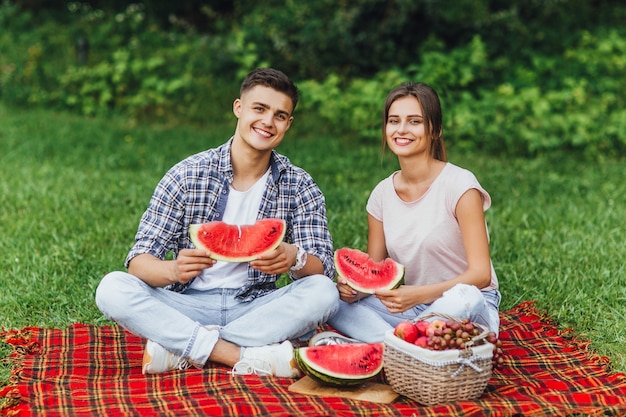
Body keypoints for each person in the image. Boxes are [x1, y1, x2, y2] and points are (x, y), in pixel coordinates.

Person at [95, 68, 338, 378]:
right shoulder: (187, 175)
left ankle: (180, 345)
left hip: (257, 307)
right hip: (188, 304)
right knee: (112, 288)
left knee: (323, 293)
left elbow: (323, 271)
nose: (267, 122)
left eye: (279, 115)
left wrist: (296, 258)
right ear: (239, 108)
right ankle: (241, 355)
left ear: (288, 124)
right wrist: (173, 270)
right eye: (259, 109)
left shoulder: (299, 185)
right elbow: (138, 262)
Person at [321, 82, 500, 344]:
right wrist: (353, 290)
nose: (401, 129)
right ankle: (407, 345)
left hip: (466, 306)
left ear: (434, 130)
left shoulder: (460, 185)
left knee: (466, 297)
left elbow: (481, 274)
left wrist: (418, 294)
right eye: (394, 121)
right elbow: (376, 272)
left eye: (414, 121)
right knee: (329, 298)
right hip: (415, 309)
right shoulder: (381, 194)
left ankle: (388, 343)